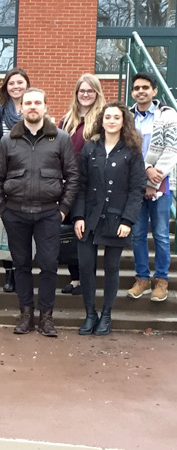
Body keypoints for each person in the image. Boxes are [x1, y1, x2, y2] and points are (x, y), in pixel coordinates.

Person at [0, 88, 79, 337]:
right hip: (15, 213)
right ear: (21, 108)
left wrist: (63, 209)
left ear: (45, 107)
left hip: (48, 213)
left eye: (37, 102)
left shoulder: (61, 139)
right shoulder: (8, 141)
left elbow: (72, 177)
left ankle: (46, 317)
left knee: (49, 264)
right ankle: (26, 314)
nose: (32, 106)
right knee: (21, 265)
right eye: (27, 103)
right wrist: (1, 209)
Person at [73, 102, 146, 335]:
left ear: (123, 121)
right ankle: (90, 314)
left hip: (117, 219)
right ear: (101, 120)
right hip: (90, 216)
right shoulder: (90, 147)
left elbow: (137, 189)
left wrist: (128, 221)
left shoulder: (132, 150)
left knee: (112, 267)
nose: (111, 121)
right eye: (108, 117)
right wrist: (78, 216)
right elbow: (81, 185)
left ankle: (106, 314)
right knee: (85, 266)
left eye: (116, 117)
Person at [127, 72, 177, 302]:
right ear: (132, 92)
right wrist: (145, 173)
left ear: (155, 91)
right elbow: (128, 150)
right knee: (137, 234)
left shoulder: (168, 115)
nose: (141, 91)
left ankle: (162, 280)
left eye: (145, 87)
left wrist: (154, 178)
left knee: (161, 235)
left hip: (162, 182)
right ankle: (142, 279)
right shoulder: (127, 117)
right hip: (135, 182)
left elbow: (172, 149)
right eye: (136, 88)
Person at [0, 68, 31, 293]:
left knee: (26, 226)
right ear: (5, 86)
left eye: (20, 82)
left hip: (30, 179)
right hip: (3, 177)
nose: (16, 87)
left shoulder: (33, 109)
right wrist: (3, 166)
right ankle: (9, 272)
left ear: (27, 85)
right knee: (6, 226)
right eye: (11, 83)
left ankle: (24, 270)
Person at [58, 74, 106, 295]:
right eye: (81, 91)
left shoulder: (103, 120)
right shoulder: (67, 120)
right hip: (67, 185)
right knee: (69, 233)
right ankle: (75, 278)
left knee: (86, 234)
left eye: (90, 91)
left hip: (91, 187)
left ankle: (88, 280)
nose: (85, 94)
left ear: (97, 93)